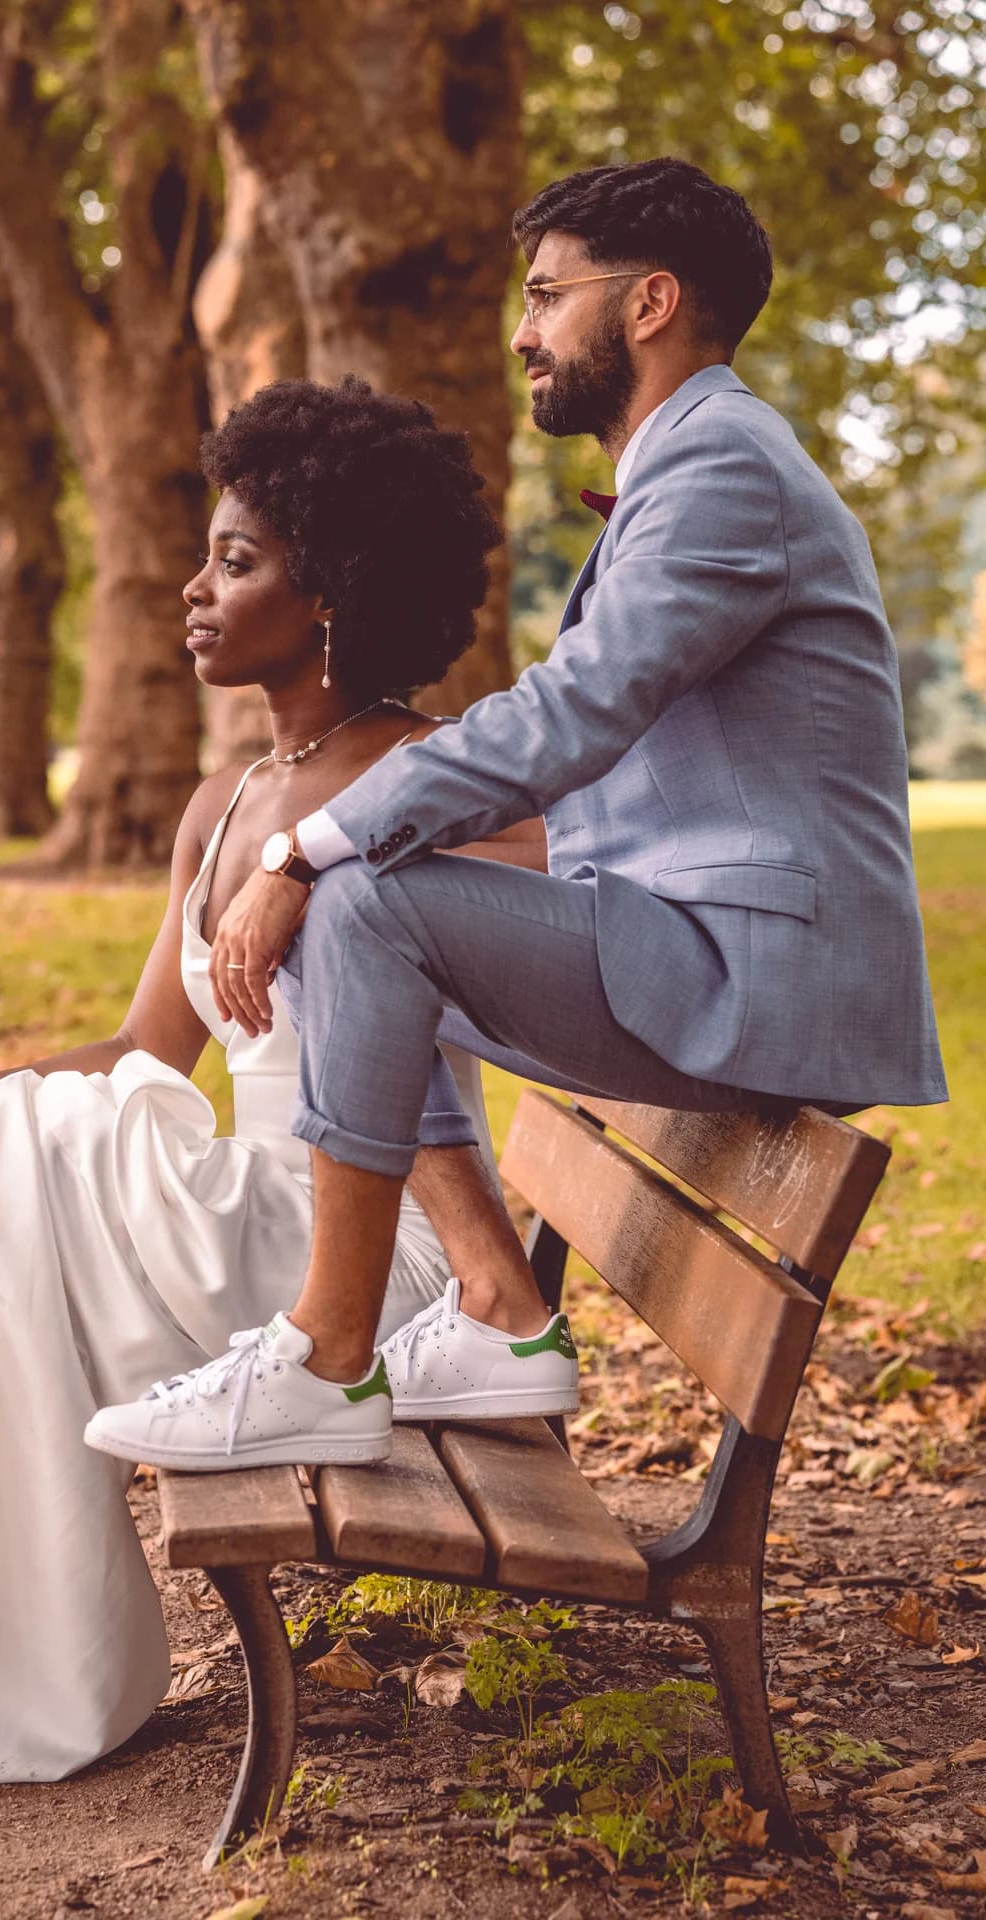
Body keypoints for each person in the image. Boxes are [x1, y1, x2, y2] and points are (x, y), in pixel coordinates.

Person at [88, 156, 946, 1475]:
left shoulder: (721, 466)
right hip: (703, 949)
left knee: (364, 888)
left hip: (757, 975)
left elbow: (568, 717)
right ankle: (494, 1303)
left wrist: (305, 844)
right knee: (378, 898)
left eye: (548, 297)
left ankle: (327, 1355)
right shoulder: (693, 468)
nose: (524, 331)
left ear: (650, 302)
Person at [0, 375, 568, 1788]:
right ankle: (10, 1666)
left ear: (331, 590)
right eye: (206, 554)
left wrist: (316, 867)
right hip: (238, 1225)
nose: (193, 588)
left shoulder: (422, 775)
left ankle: (30, 1676)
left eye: (238, 559)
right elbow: (153, 1053)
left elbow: (562, 874)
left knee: (10, 1180)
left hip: (348, 1253)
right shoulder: (223, 801)